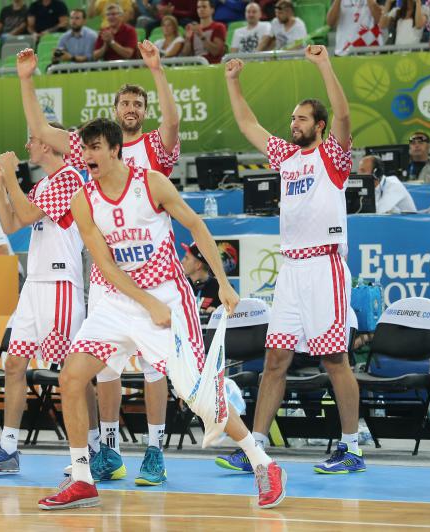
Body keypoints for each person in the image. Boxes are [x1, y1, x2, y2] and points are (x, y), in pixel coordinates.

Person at [37, 118, 286, 510]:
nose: (87, 156)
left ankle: (263, 462)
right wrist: (142, 301)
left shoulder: (150, 182)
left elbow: (197, 225)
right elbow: (104, 263)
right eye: (83, 149)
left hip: (168, 295)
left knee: (199, 395)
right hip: (119, 300)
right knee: (71, 376)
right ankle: (82, 478)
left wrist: (222, 281)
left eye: (95, 147)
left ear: (115, 148)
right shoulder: (83, 200)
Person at [16, 42, 180, 485]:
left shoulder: (154, 149)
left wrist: (157, 70)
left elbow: (173, 121)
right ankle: (109, 448)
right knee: (103, 365)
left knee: (153, 367)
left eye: (137, 103)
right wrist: (27, 80)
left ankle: (155, 450)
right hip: (108, 273)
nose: (131, 108)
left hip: (153, 273)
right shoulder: (90, 146)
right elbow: (40, 129)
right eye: (125, 102)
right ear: (114, 110)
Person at [220, 45, 365, 476]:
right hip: (292, 270)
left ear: (317, 126)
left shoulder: (332, 156)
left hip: (325, 267)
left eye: (301, 118)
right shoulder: (286, 156)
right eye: (292, 119)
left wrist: (323, 65)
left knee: (334, 359)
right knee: (275, 359)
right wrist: (232, 81)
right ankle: (257, 447)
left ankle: (352, 447)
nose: (293, 124)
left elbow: (342, 115)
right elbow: (248, 124)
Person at [0, 136, 87, 474]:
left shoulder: (70, 177)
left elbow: (30, 211)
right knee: (14, 366)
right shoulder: (44, 183)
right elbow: (10, 224)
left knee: (72, 374)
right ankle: (8, 448)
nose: (27, 146)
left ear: (48, 146)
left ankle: (91, 448)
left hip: (60, 284)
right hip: (34, 285)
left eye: (32, 140)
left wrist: (12, 175)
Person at [180, 242, 221, 315]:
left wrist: (218, 312)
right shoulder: (180, 287)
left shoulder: (220, 289)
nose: (182, 261)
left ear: (198, 265)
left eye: (187, 258)